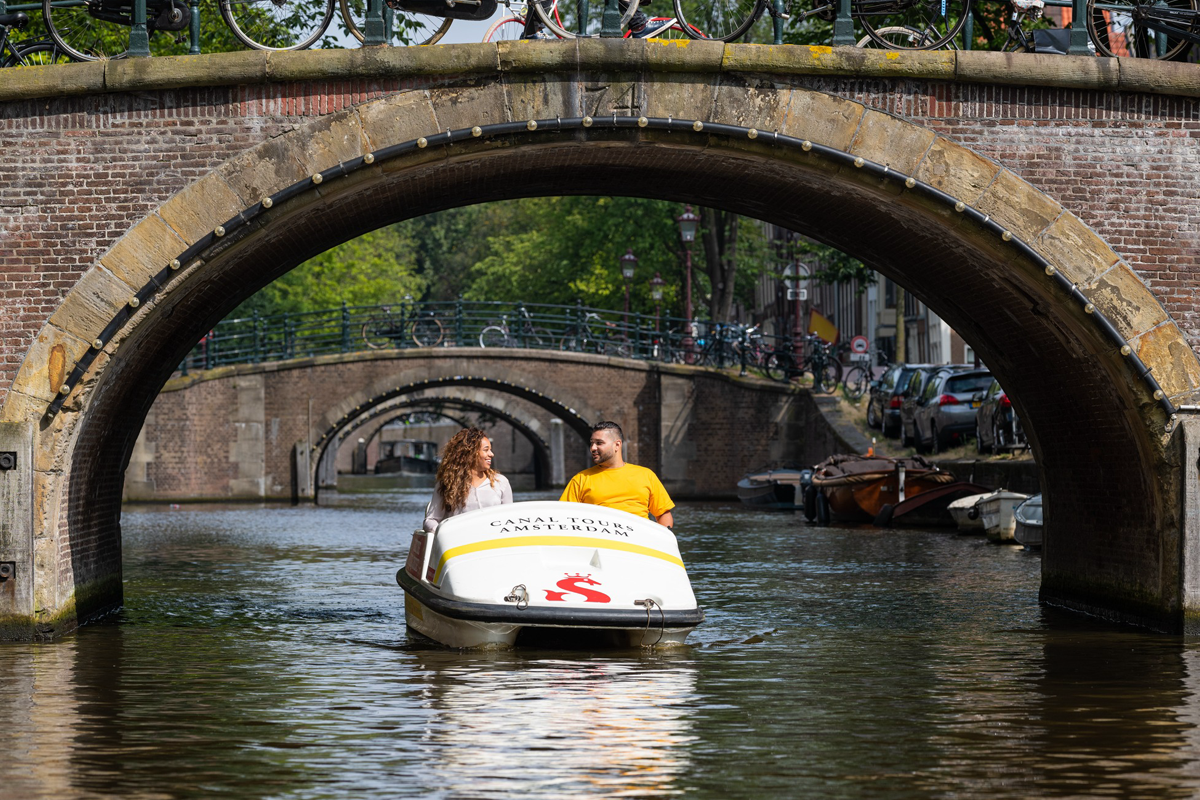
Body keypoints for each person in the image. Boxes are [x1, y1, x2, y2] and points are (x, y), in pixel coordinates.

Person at [559, 421, 675, 529]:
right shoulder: (580, 479)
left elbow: (662, 514)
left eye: (599, 443)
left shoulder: (646, 475)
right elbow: (563, 517)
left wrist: (665, 538)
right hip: (600, 539)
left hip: (640, 538)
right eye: (592, 443)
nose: (593, 448)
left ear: (617, 445)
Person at [423, 428, 513, 532]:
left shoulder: (501, 482)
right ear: (470, 454)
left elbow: (508, 518)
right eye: (486, 450)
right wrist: (441, 532)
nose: (491, 454)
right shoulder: (446, 484)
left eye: (490, 450)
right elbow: (431, 520)